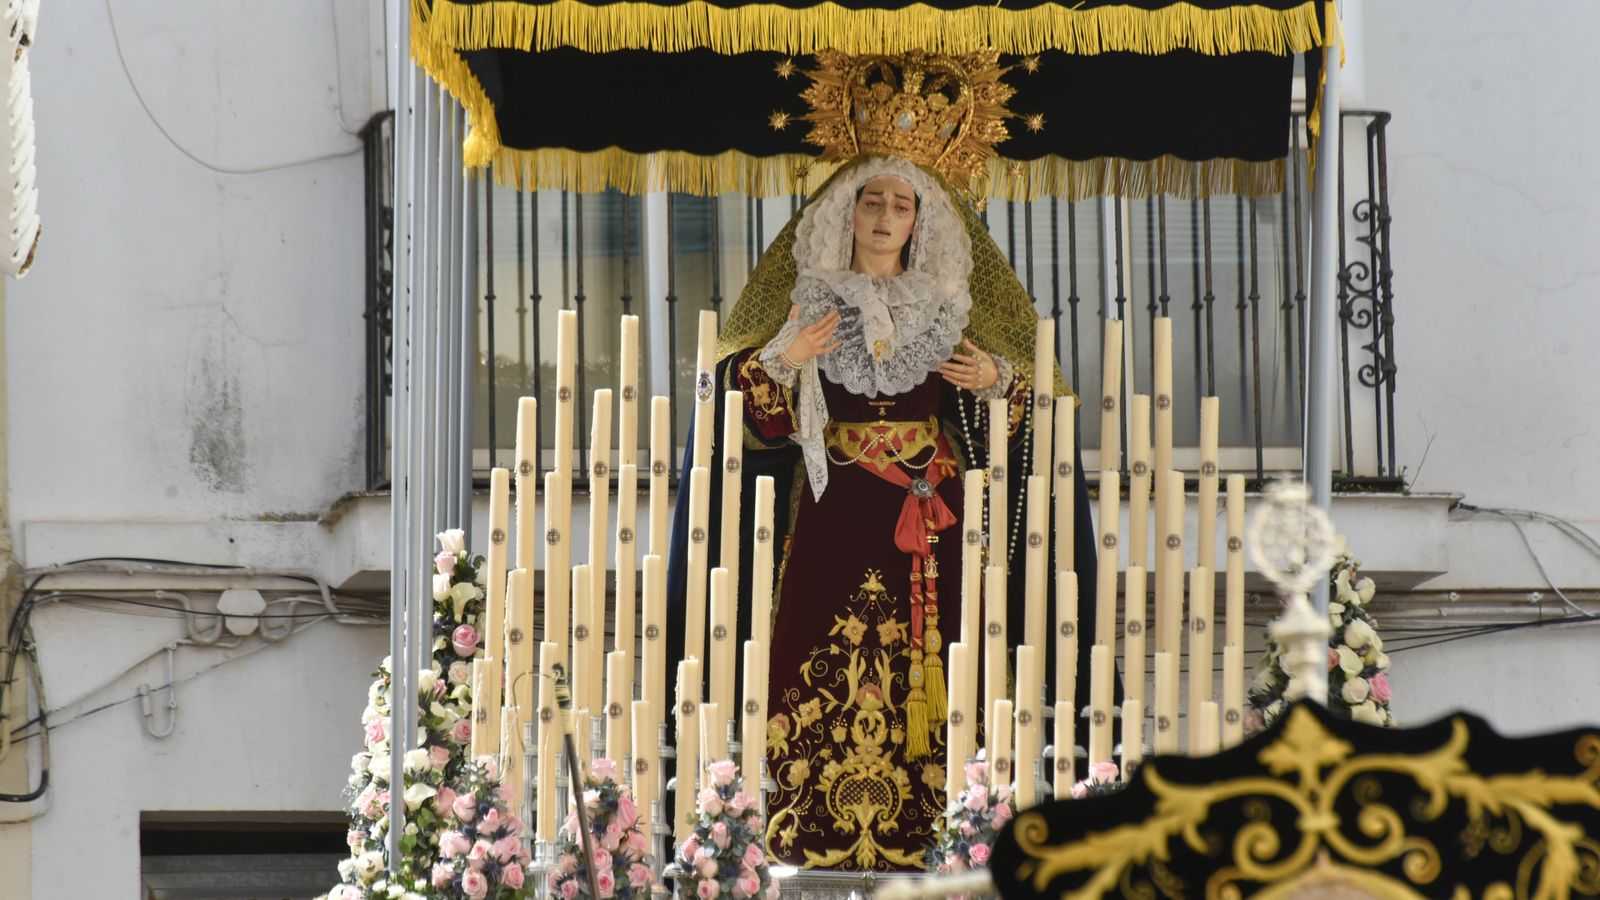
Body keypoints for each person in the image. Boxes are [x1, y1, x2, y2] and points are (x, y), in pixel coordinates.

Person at [664, 51, 1105, 873]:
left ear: (921, 221)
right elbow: (741, 409)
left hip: (926, 523)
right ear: (848, 210)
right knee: (812, 654)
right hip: (831, 518)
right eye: (871, 200)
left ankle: (942, 833)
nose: (884, 216)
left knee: (936, 668)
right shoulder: (804, 295)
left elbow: (1027, 416)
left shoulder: (951, 305)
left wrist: (998, 383)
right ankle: (805, 833)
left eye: (901, 204)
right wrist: (785, 358)